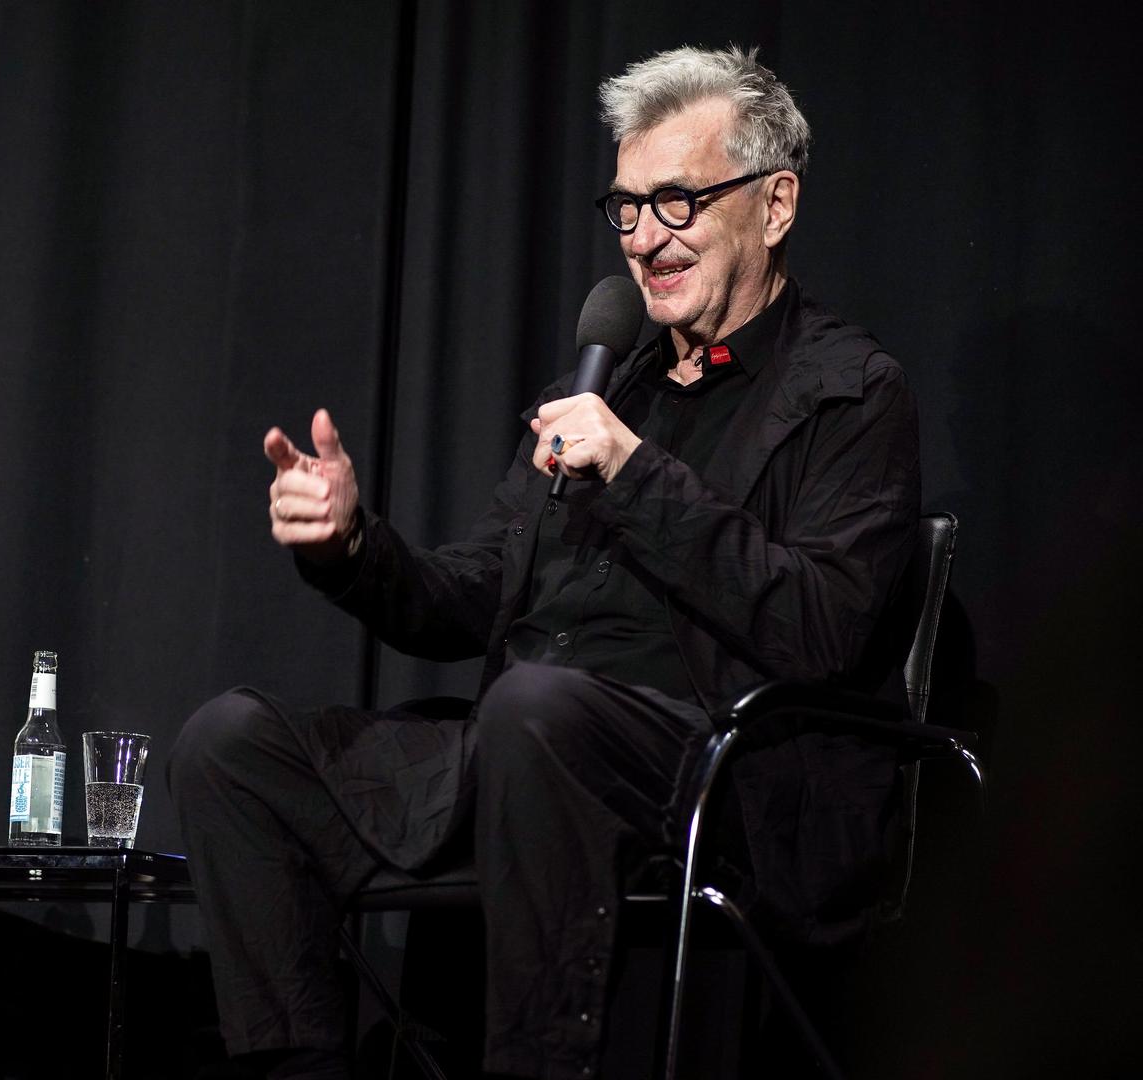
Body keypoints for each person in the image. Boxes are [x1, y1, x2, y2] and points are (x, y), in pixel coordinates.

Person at [170, 45, 921, 1079]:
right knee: (229, 745)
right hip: (518, 752)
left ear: (776, 203)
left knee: (535, 708)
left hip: (719, 777)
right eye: (627, 208)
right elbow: (469, 599)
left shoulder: (851, 392)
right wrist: (351, 544)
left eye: (678, 202)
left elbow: (825, 628)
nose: (645, 239)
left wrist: (634, 470)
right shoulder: (609, 390)